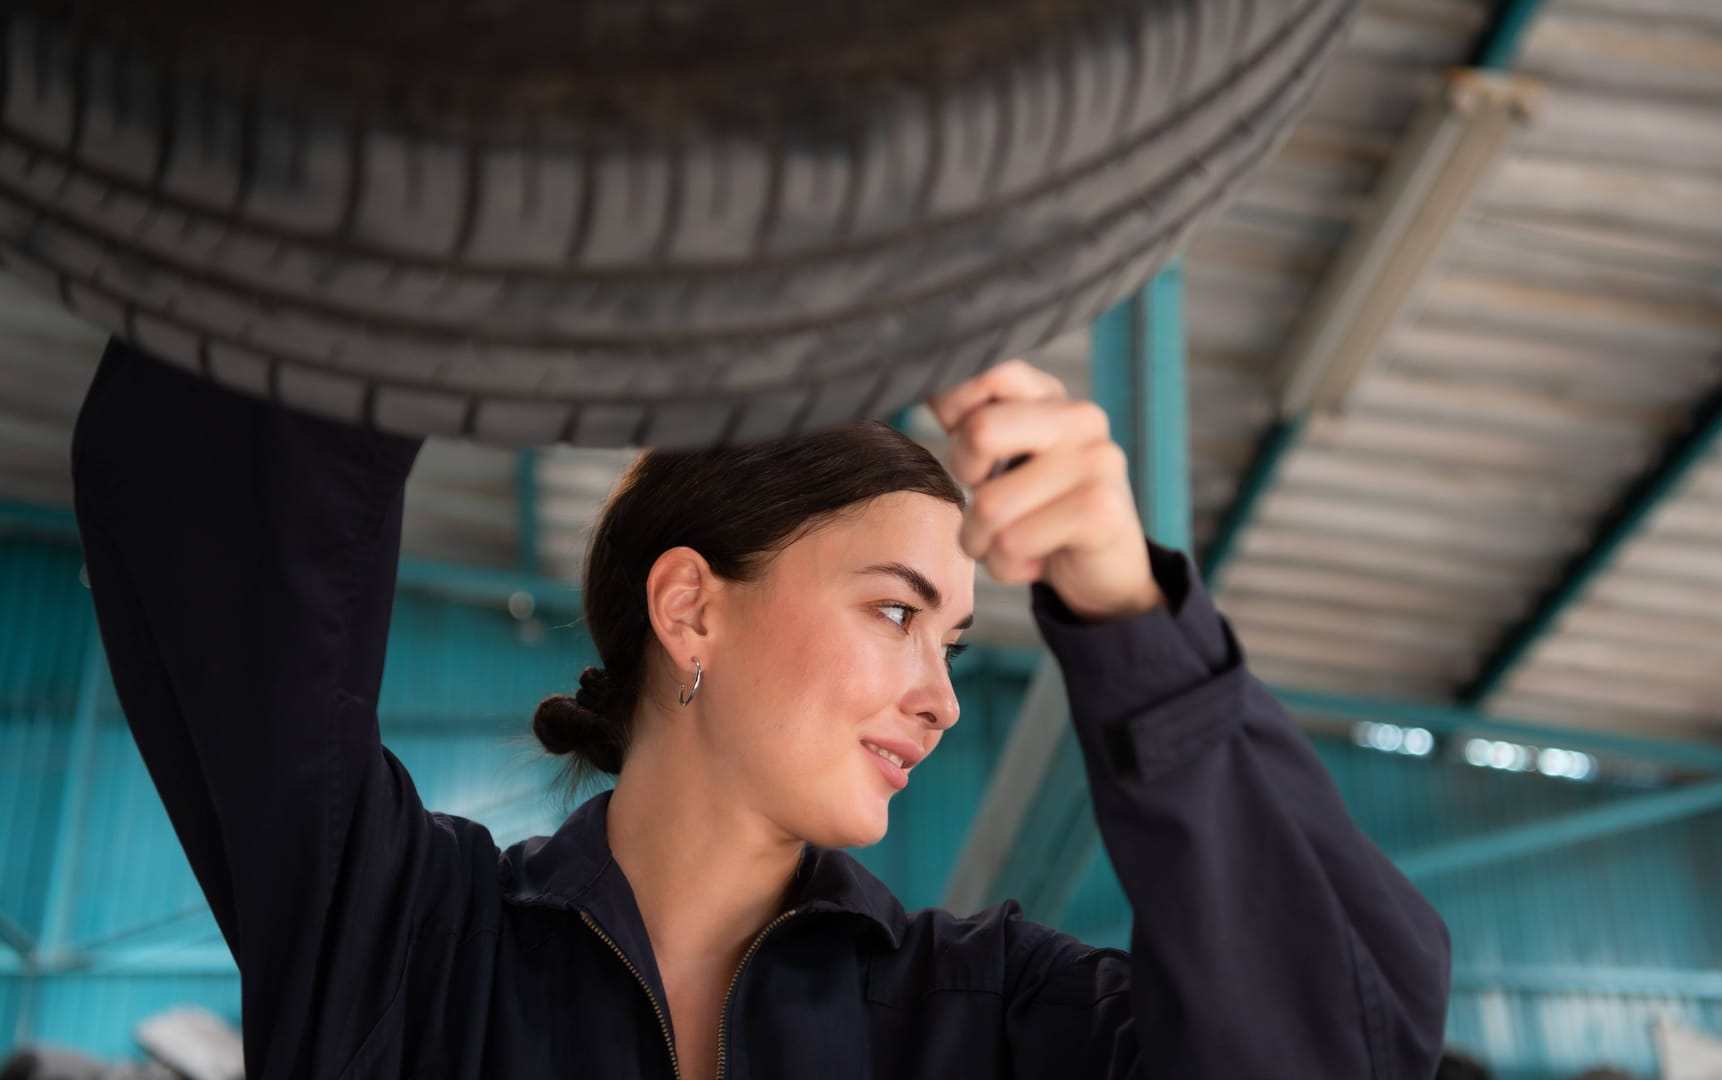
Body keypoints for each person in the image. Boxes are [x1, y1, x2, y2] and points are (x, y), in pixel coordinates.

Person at [71, 339, 1451, 1079]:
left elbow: (1340, 1045)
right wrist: (452, 273)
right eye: (897, 613)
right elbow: (212, 497)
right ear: (693, 611)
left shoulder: (989, 1018)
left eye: (960, 643)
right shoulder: (401, 944)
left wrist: (1135, 623)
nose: (939, 701)